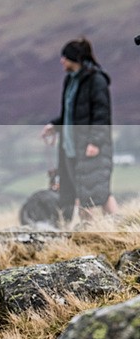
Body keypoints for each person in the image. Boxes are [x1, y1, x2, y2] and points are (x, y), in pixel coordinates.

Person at [41, 37, 118, 223]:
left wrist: (95, 142)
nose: (62, 61)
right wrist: (55, 125)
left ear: (75, 58)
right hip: (70, 148)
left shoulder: (96, 80)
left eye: (65, 57)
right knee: (85, 191)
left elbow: (102, 114)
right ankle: (104, 229)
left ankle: (110, 229)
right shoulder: (70, 81)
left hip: (89, 147)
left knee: (96, 193)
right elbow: (71, 114)